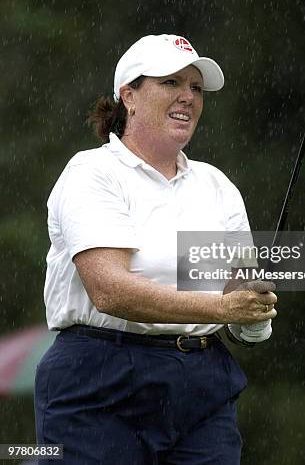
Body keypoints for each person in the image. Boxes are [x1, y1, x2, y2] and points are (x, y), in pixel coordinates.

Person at [35, 34, 277, 464]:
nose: (188, 97)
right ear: (128, 95)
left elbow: (237, 295)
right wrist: (224, 312)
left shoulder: (217, 186)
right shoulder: (92, 173)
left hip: (203, 383)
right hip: (100, 379)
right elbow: (110, 290)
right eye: (171, 83)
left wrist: (252, 318)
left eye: (196, 88)